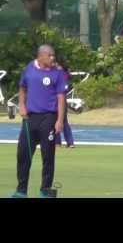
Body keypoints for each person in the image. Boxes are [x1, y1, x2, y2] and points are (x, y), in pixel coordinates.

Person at [11, 45, 66, 198]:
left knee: (48, 156)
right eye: (50, 55)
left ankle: (45, 190)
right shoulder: (29, 68)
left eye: (53, 55)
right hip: (30, 119)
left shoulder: (58, 73)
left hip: (49, 118)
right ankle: (21, 191)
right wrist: (21, 105)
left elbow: (61, 98)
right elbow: (22, 88)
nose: (53, 58)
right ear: (41, 56)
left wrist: (60, 120)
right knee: (23, 154)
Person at [54, 58, 75, 148]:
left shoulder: (59, 74)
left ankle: (58, 142)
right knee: (63, 121)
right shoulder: (65, 75)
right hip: (61, 100)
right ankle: (69, 142)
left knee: (57, 121)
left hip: (56, 100)